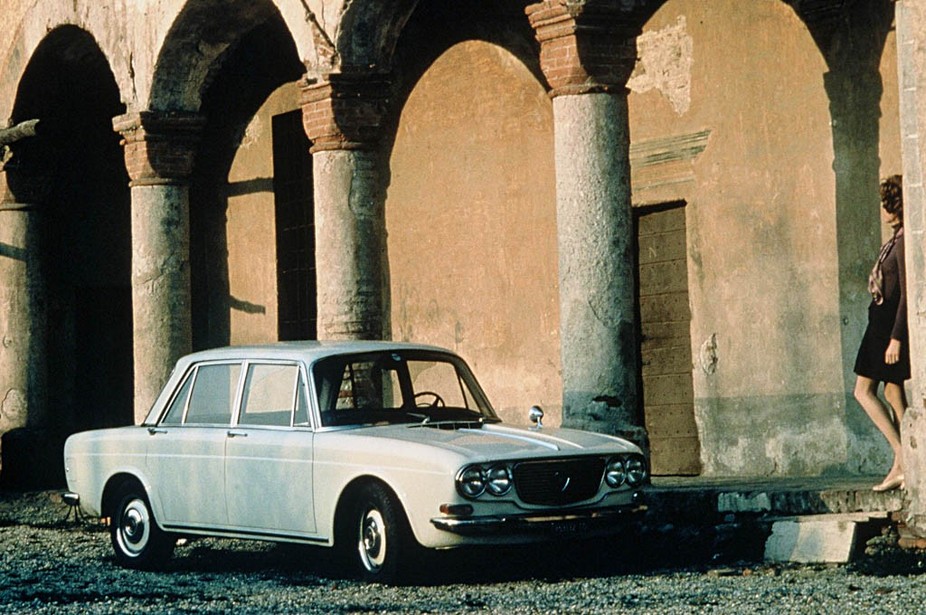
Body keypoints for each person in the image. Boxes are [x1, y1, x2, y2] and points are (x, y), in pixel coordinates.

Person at [853, 174, 909, 492]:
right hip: (882, 325)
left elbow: (904, 293)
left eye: (886, 203)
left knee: (862, 392)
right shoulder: (895, 238)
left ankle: (902, 455)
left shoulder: (902, 243)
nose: (882, 209)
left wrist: (896, 338)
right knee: (892, 392)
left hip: (885, 328)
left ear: (895, 205)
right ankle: (908, 464)